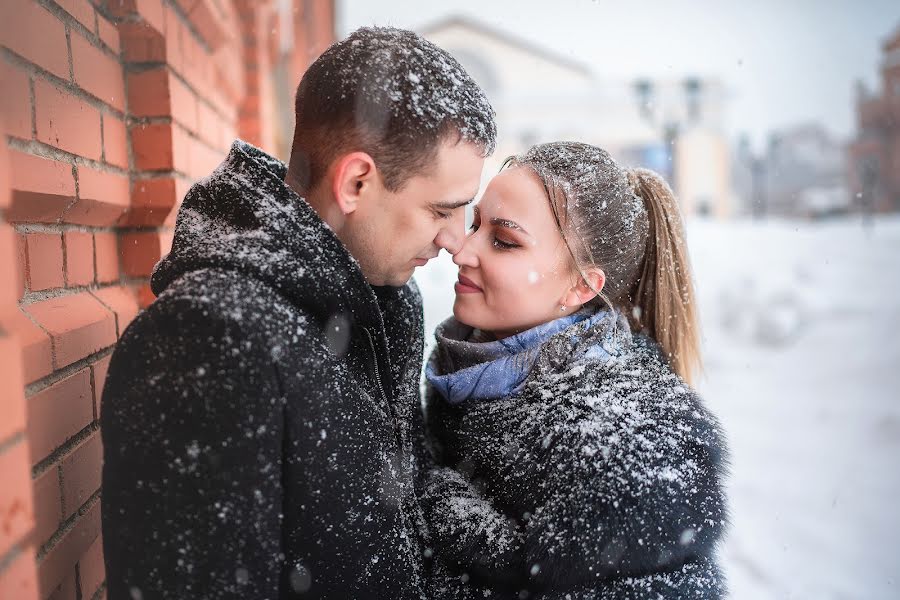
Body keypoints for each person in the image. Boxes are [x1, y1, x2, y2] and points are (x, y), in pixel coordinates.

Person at [100, 26, 496, 599]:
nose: (455, 242)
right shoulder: (208, 338)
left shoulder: (386, 306)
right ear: (356, 181)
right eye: (442, 210)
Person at [420, 142, 728, 599]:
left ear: (582, 286)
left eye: (504, 241)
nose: (462, 251)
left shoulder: (628, 447)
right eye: (475, 224)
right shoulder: (464, 380)